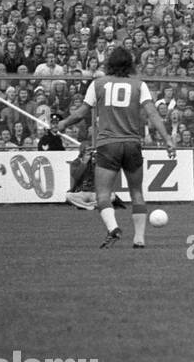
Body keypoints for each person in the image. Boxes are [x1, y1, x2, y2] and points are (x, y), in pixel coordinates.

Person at [57, 47, 176, 248]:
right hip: (132, 143)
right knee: (136, 192)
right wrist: (168, 139)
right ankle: (139, 238)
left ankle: (113, 228)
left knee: (102, 194)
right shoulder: (139, 85)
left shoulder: (98, 84)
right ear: (130, 64)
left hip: (107, 144)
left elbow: (80, 114)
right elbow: (152, 113)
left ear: (109, 64)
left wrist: (62, 124)